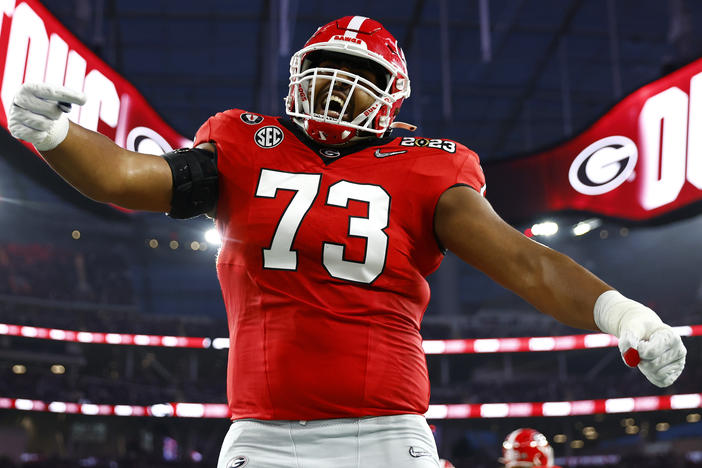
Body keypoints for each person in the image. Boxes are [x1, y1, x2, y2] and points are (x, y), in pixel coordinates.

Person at [7, 15, 687, 468]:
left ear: (389, 98)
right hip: (261, 436)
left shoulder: (429, 165)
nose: (334, 89)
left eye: (355, 80)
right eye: (326, 70)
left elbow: (521, 260)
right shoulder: (242, 141)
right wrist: (55, 136)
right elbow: (128, 177)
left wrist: (624, 313)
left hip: (384, 437)